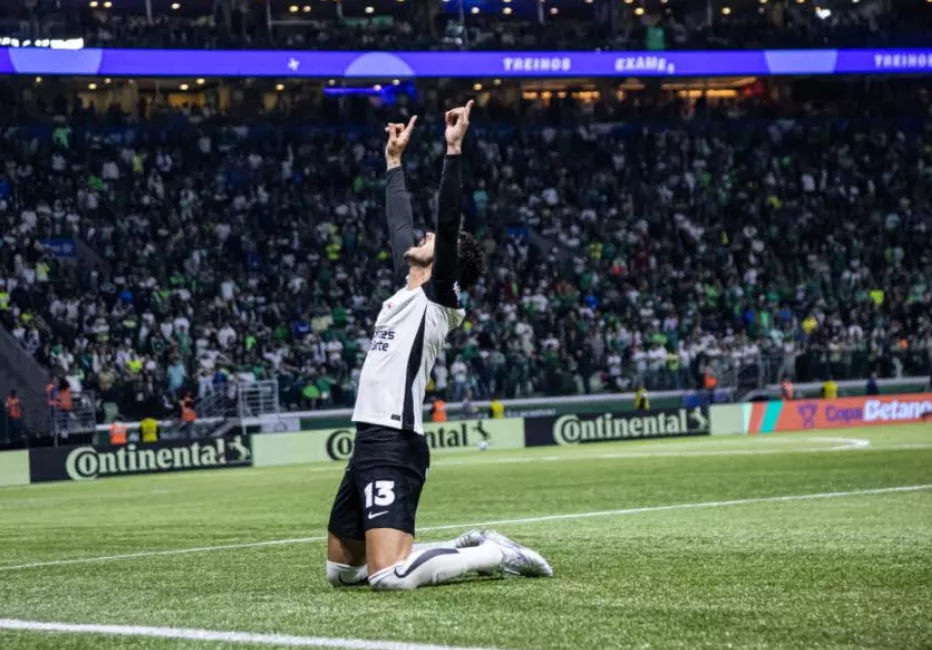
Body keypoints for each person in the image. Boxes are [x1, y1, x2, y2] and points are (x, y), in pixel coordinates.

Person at [326, 104, 552, 592]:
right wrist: (393, 162)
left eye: (429, 239)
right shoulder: (405, 292)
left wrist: (453, 150)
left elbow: (446, 225)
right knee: (342, 572)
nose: (421, 235)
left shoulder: (438, 300)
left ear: (442, 261)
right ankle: (446, 546)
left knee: (387, 578)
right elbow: (399, 227)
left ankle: (496, 553)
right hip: (367, 438)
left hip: (395, 439)